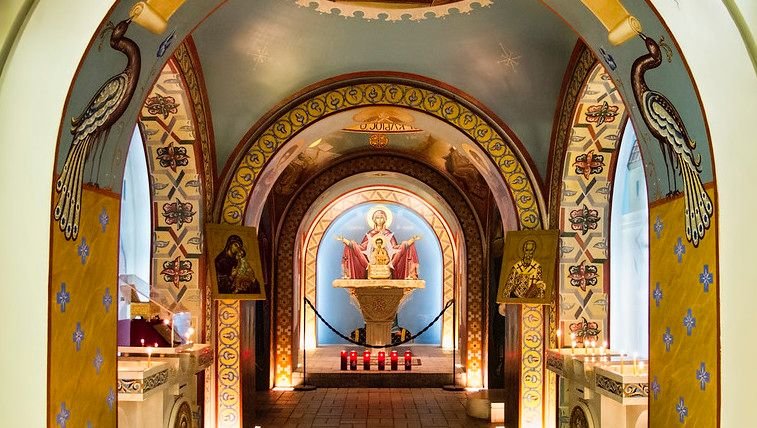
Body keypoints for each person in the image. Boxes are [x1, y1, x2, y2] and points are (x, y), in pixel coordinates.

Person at [337, 207, 421, 280]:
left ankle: (411, 274)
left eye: (381, 217)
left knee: (405, 245)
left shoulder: (388, 233)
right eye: (377, 218)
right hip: (373, 268)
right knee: (351, 246)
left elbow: (396, 249)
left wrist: (411, 241)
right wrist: (346, 241)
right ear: (374, 219)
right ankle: (348, 274)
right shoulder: (370, 234)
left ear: (385, 219)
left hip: (386, 268)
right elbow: (361, 249)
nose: (379, 220)